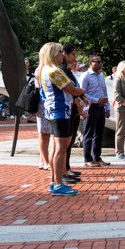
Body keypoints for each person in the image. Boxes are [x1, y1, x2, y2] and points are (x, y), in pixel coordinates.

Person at [38, 42, 85, 195]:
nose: (62, 55)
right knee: (60, 148)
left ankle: (54, 181)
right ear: (52, 53)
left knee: (56, 147)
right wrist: (83, 90)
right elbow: (72, 89)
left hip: (54, 111)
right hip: (60, 112)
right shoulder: (53, 71)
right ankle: (58, 184)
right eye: (59, 52)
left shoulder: (44, 70)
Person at [80, 55, 111, 167]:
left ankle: (97, 157)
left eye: (100, 61)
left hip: (101, 107)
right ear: (90, 63)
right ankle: (87, 159)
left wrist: (107, 108)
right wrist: (96, 101)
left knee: (99, 133)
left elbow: (104, 92)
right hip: (90, 107)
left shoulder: (101, 75)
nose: (99, 63)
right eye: (96, 62)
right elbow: (82, 93)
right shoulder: (85, 76)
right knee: (88, 133)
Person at [61, 44, 86, 183]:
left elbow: (76, 88)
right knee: (63, 144)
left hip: (74, 109)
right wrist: (79, 93)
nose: (75, 57)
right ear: (64, 54)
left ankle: (67, 168)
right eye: (73, 54)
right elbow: (72, 90)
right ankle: (63, 171)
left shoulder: (68, 71)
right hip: (65, 109)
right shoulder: (61, 70)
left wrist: (82, 96)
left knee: (68, 142)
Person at [34, 66, 51, 171]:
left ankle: (42, 160)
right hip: (43, 104)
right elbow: (38, 88)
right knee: (43, 134)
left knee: (47, 134)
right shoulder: (40, 69)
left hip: (48, 104)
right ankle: (45, 161)